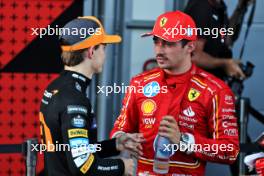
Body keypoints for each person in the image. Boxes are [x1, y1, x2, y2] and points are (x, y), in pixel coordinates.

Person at [110, 11, 239, 175]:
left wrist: (183, 141)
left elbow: (230, 150)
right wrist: (123, 139)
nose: (159, 50)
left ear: (190, 46)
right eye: (156, 41)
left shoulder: (215, 90)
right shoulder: (139, 83)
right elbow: (120, 128)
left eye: (168, 44)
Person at [39, 16, 144, 176]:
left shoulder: (57, 87)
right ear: (91, 51)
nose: (105, 53)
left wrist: (115, 144)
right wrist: (121, 166)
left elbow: (74, 152)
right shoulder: (74, 99)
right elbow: (82, 166)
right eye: (104, 46)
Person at [184, 0, 249, 80]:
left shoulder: (219, 5)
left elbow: (227, 38)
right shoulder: (200, 8)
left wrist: (240, 8)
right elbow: (194, 56)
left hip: (214, 82)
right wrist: (224, 64)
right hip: (198, 84)